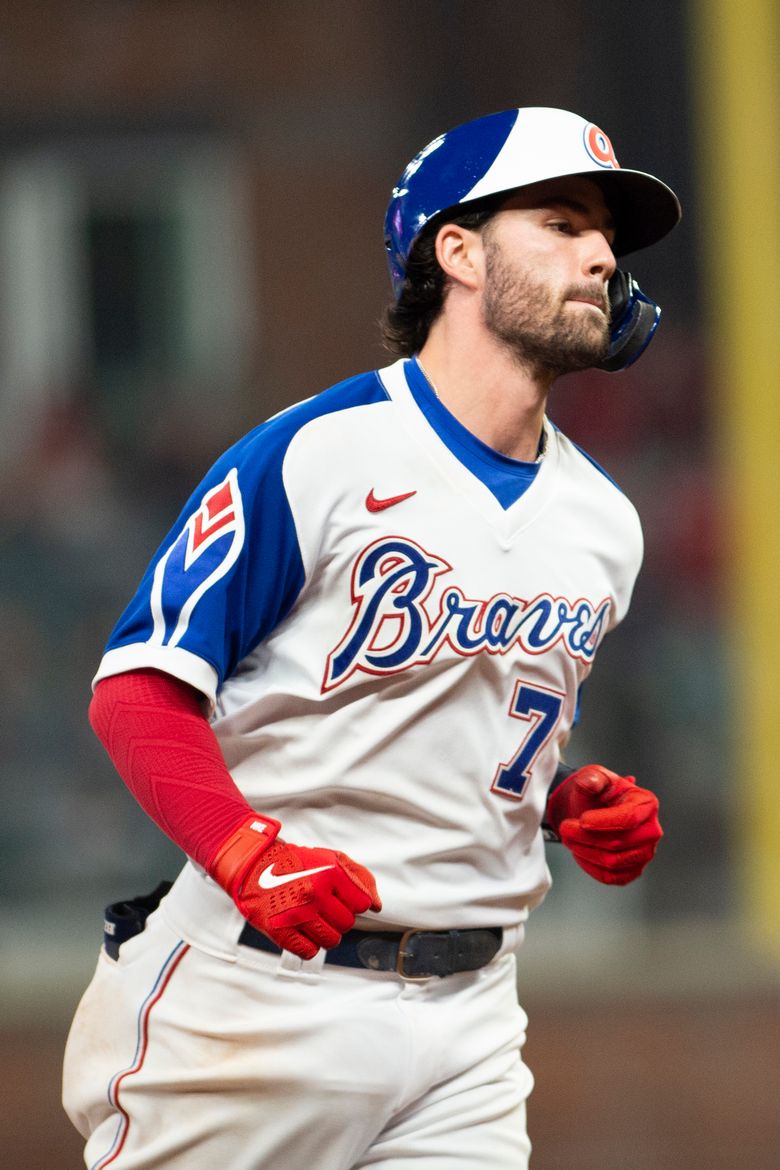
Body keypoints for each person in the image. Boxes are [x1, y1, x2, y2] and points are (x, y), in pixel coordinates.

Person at [63, 106, 679, 1169]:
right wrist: (244, 853)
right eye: (561, 221)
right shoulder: (317, 454)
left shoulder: (605, 525)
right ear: (458, 251)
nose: (600, 254)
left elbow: (450, 723)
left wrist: (558, 800)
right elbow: (137, 690)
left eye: (607, 235)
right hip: (258, 1005)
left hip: (476, 1020)